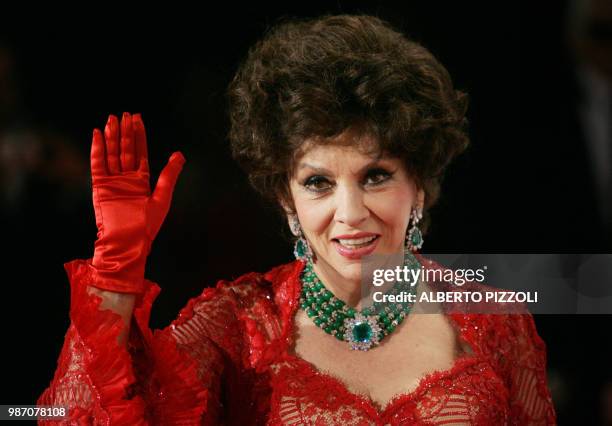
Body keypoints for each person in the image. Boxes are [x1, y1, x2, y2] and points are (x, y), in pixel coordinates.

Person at [37, 14, 557, 425]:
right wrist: (114, 278)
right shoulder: (236, 327)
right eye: (318, 183)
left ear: (418, 183)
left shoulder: (494, 320)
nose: (351, 214)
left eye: (376, 175)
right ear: (286, 199)